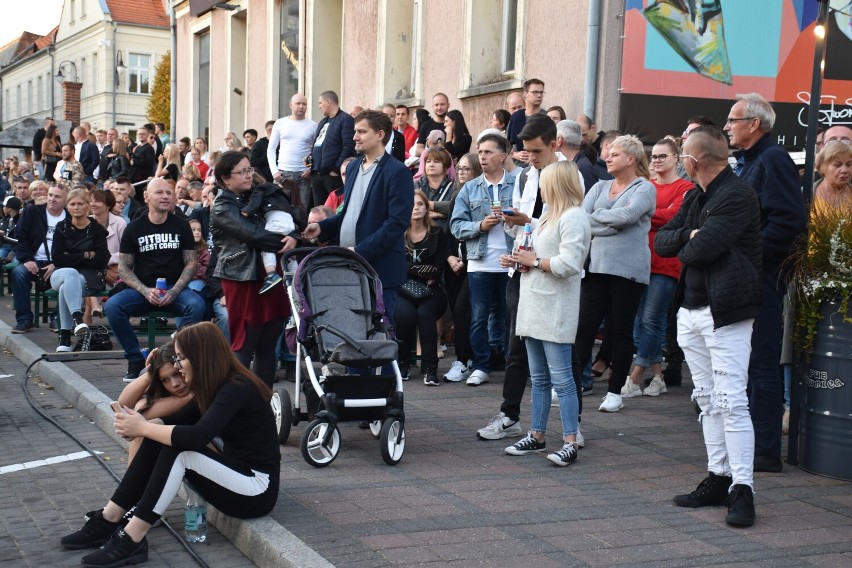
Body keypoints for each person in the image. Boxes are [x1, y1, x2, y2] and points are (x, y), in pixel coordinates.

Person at [60, 322, 280, 567]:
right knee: (161, 434)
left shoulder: (236, 387)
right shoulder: (215, 385)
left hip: (257, 489)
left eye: (181, 358)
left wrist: (143, 427)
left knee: (180, 449)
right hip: (236, 476)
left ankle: (131, 538)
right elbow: (175, 421)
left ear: (201, 356)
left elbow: (197, 436)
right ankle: (109, 518)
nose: (177, 365)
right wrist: (139, 426)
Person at [656, 125, 762, 527]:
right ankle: (719, 477)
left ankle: (743, 489)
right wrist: (690, 233)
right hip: (692, 310)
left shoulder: (737, 195)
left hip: (727, 311)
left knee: (732, 401)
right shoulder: (696, 196)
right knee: (707, 398)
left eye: (682, 153)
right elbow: (664, 242)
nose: (681, 158)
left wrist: (690, 238)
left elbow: (700, 249)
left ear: (692, 162)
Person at [726, 92, 806, 472]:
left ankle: (766, 451)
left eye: (733, 120)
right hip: (752, 275)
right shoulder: (754, 161)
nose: (727, 127)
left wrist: (752, 258)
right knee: (751, 364)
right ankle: (755, 444)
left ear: (754, 124)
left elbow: (789, 220)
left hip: (763, 277)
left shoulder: (772, 159)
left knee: (761, 365)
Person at [476, 116, 568, 440]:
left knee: (559, 348)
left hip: (552, 268)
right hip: (522, 266)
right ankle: (509, 414)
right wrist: (513, 224)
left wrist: (530, 219)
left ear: (555, 144)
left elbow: (570, 222)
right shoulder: (527, 176)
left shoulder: (569, 174)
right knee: (515, 343)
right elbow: (525, 223)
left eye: (537, 152)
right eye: (526, 152)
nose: (531, 158)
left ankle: (573, 427)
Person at [502, 160, 591, 466]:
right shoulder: (547, 216)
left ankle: (570, 439)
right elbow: (536, 256)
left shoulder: (574, 216)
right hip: (535, 304)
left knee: (562, 379)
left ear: (557, 183)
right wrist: (517, 260)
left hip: (555, 307)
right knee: (539, 378)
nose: (540, 186)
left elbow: (570, 264)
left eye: (545, 181)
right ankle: (537, 434)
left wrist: (535, 260)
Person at [303, 109, 414, 323]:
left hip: (380, 269)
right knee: (353, 331)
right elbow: (349, 213)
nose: (355, 137)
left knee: (381, 335)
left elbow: (396, 224)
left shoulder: (397, 171)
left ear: (380, 134)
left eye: (362, 132)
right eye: (355, 131)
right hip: (351, 267)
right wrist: (323, 227)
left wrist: (360, 251)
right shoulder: (353, 166)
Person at [572, 135, 656, 413]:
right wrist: (608, 223)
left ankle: (615, 391)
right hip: (596, 267)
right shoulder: (599, 186)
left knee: (620, 332)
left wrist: (598, 221)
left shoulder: (644, 188)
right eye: (608, 153)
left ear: (631, 159)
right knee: (583, 330)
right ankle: (571, 388)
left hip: (628, 271)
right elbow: (581, 219)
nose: (607, 157)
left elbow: (628, 217)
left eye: (615, 154)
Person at [106, 178, 206, 381]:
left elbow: (191, 263)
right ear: (146, 197)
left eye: (169, 193)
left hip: (174, 289)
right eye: (159, 192)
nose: (165, 196)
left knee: (196, 305)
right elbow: (124, 268)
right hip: (142, 289)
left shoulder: (182, 225)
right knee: (113, 307)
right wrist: (144, 290)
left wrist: (174, 291)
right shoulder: (134, 228)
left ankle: (174, 357)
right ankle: (135, 359)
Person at [211, 152, 298, 386]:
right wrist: (287, 240)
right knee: (244, 343)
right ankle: (240, 402)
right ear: (225, 179)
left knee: (268, 344)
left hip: (270, 275)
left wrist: (294, 235)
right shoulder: (222, 206)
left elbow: (290, 216)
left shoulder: (258, 193)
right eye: (242, 172)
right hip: (243, 278)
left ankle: (264, 401)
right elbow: (253, 235)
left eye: (250, 169)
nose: (249, 175)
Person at [623, 139, 694, 397]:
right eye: (654, 156)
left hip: (666, 264)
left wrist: (641, 212)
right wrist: (646, 212)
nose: (657, 160)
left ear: (677, 158)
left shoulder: (686, 187)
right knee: (641, 321)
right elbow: (631, 213)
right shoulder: (645, 186)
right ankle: (658, 376)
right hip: (640, 262)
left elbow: (674, 218)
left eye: (663, 156)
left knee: (652, 320)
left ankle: (634, 377)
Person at [449, 133, 515, 387]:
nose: (483, 156)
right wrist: (481, 225)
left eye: (488, 152)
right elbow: (456, 226)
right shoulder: (470, 187)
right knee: (478, 316)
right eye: (480, 151)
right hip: (480, 261)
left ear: (503, 156)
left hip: (510, 260)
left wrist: (513, 218)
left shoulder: (516, 183)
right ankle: (480, 365)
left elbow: (529, 218)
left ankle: (511, 362)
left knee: (510, 316)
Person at [394, 190, 448, 385]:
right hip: (404, 289)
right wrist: (421, 270)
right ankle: (403, 364)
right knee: (404, 315)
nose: (415, 208)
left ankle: (431, 368)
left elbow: (438, 267)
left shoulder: (437, 233)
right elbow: (396, 264)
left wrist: (412, 269)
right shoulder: (398, 233)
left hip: (432, 290)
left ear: (426, 208)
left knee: (425, 315)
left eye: (419, 204)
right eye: (411, 204)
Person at [50, 188, 109, 350]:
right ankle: (78, 319)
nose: (76, 207)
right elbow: (57, 258)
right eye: (72, 204)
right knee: (69, 274)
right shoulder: (61, 227)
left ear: (88, 206)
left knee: (66, 284)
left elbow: (102, 259)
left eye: (80, 204)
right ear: (67, 206)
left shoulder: (96, 230)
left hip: (87, 277)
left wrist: (72, 256)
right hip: (60, 274)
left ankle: (65, 338)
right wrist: (86, 255)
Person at [118, 343, 193, 463]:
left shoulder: (197, 393)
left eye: (177, 374)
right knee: (144, 429)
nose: (175, 384)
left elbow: (143, 413)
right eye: (165, 380)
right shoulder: (168, 390)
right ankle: (132, 480)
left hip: (207, 449)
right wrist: (149, 374)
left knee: (145, 427)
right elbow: (124, 403)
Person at [441, 153, 480, 383]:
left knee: (466, 308)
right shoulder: (457, 196)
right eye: (460, 168)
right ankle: (465, 358)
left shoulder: (479, 194)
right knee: (458, 310)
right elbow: (450, 231)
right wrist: (449, 257)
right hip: (454, 262)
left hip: (473, 260)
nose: (462, 172)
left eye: (467, 168)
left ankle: (467, 358)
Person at [11, 184, 69, 333]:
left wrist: (56, 263)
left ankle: (57, 318)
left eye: (57, 196)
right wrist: (27, 259)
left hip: (58, 263)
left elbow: (73, 247)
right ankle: (24, 319)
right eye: (50, 195)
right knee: (18, 273)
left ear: (66, 199)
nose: (52, 199)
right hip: (33, 261)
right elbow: (20, 237)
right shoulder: (32, 212)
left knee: (70, 276)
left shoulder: (70, 217)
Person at [240, 179, 306, 294]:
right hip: (290, 224)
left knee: (266, 246)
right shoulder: (281, 194)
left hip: (276, 222)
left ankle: (271, 274)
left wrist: (244, 212)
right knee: (290, 254)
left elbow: (253, 205)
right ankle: (296, 279)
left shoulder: (260, 189)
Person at [268, 94, 318, 208]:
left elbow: (316, 151)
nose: (301, 106)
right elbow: (271, 149)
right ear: (291, 105)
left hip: (303, 175)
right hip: (283, 173)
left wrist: (311, 169)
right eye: (298, 103)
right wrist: (274, 171)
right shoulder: (280, 123)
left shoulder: (313, 125)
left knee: (301, 210)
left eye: (304, 104)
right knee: (279, 208)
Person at [84, 189, 126, 321]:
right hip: (93, 269)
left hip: (114, 270)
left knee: (88, 274)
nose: (93, 204)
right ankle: (94, 306)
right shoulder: (86, 222)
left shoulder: (120, 223)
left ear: (108, 205)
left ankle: (89, 313)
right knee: (87, 272)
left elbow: (127, 253)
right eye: (91, 200)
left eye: (97, 201)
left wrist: (105, 259)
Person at [310, 91, 355, 208]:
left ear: (328, 102)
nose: (319, 106)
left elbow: (348, 147)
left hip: (332, 175)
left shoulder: (346, 119)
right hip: (317, 173)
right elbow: (318, 144)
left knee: (334, 208)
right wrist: (311, 159)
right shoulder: (323, 121)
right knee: (319, 209)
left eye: (320, 103)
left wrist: (335, 169)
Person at [505, 78, 546, 162]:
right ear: (525, 94)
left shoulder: (547, 117)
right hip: (519, 166)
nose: (539, 95)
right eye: (535, 92)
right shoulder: (516, 117)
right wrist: (515, 155)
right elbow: (505, 145)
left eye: (541, 92)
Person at [415, 148, 454, 229]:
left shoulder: (453, 186)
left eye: (436, 161)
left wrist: (428, 205)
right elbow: (409, 207)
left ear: (446, 167)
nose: (431, 164)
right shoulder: (416, 185)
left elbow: (456, 206)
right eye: (428, 161)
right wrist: (442, 214)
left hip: (445, 234)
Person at [556, 120, 598, 193]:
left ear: (559, 140)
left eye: (553, 137)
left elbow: (589, 199)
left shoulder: (582, 167)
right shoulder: (579, 164)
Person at [813, 140, 852, 208]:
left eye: (849, 164)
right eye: (837, 165)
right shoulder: (804, 194)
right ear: (822, 166)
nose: (844, 170)